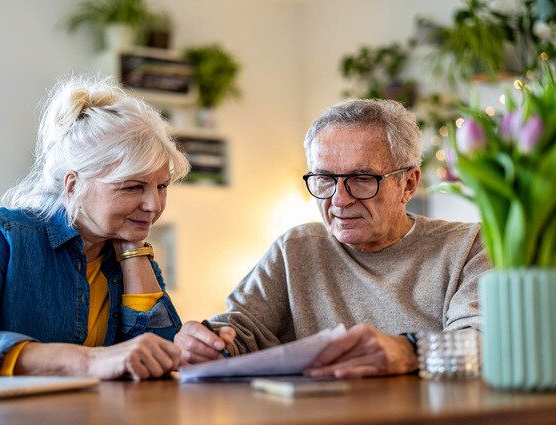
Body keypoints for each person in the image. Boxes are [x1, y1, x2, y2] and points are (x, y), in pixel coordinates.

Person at [174, 99, 491, 379]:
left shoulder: (470, 245)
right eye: (325, 179)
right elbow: (240, 331)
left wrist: (411, 350)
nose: (339, 200)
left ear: (408, 184)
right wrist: (206, 342)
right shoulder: (297, 248)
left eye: (362, 179)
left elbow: (485, 339)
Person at [0, 76, 190, 380]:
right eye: (133, 187)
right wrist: (85, 362)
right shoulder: (1, 234)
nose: (154, 205)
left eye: (162, 186)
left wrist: (132, 251)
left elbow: (157, 360)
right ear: (73, 185)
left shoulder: (128, 251)